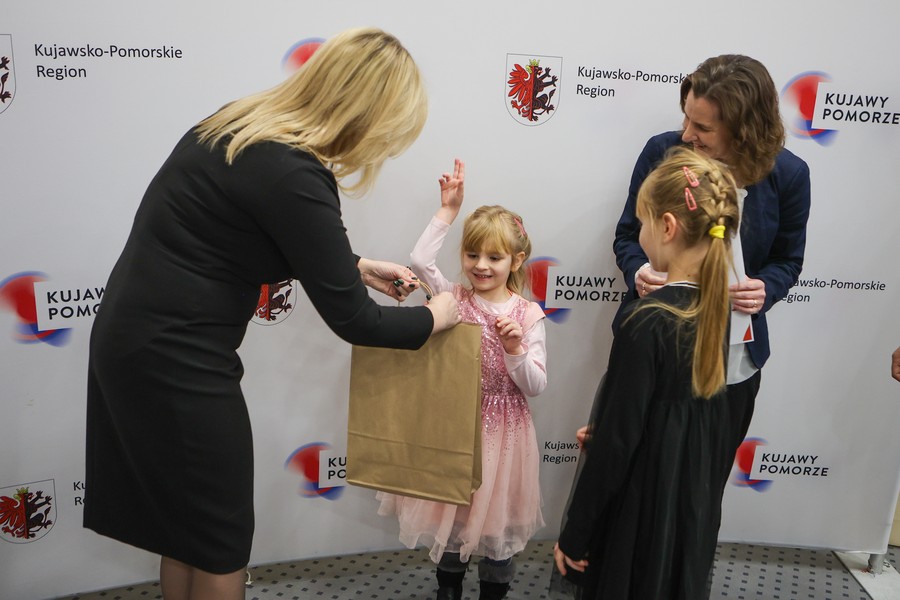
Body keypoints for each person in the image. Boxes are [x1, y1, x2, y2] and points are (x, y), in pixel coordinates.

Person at [84, 27, 460, 600]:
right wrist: (439, 314)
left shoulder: (241, 127)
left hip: (135, 344)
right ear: (367, 116)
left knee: (186, 529)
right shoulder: (296, 173)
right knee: (221, 539)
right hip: (178, 360)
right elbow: (359, 322)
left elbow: (241, 232)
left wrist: (354, 265)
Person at [554, 147, 752, 599]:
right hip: (687, 512)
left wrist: (576, 533)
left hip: (639, 514)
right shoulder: (716, 315)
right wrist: (611, 428)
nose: (639, 232)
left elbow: (619, 443)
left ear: (667, 226)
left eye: (642, 222)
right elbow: (674, 420)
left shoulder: (647, 320)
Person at [377, 160, 548, 600]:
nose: (480, 265)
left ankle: (494, 591)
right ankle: (448, 590)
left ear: (516, 261)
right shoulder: (453, 297)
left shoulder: (528, 314)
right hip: (456, 428)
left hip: (505, 437)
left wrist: (515, 350)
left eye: (494, 257)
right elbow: (419, 261)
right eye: (472, 255)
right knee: (453, 523)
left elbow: (535, 385)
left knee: (496, 529)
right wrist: (448, 211)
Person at [613, 54, 811, 406]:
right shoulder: (662, 152)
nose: (687, 134)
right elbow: (628, 236)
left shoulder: (790, 175)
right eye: (686, 117)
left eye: (702, 127)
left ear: (744, 129)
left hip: (733, 362)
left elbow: (787, 261)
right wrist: (640, 271)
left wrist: (765, 289)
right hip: (652, 347)